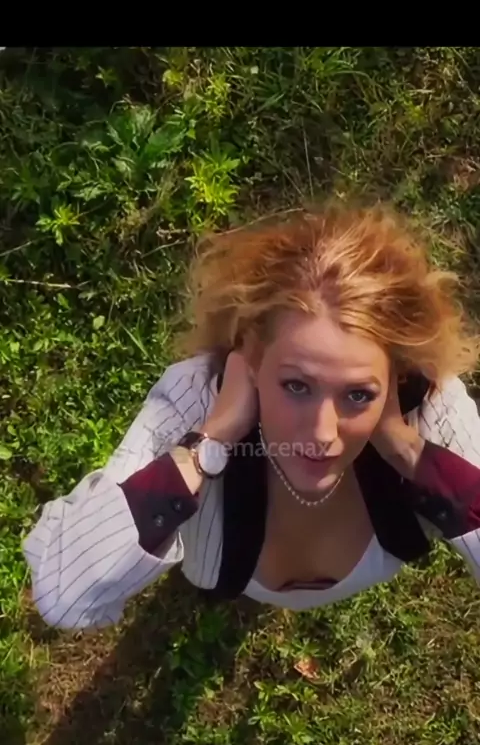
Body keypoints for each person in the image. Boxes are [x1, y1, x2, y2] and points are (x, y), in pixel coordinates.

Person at [23, 203, 480, 631]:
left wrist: (406, 449)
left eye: (358, 394)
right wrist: (207, 445)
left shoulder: (428, 409)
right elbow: (64, 595)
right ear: (253, 358)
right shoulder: (196, 399)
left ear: (397, 379)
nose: (323, 434)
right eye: (296, 386)